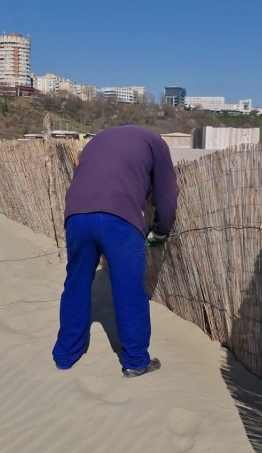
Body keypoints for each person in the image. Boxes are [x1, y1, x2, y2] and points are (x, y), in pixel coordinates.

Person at [52, 125, 179, 378]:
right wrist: (162, 229)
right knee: (128, 291)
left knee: (76, 284)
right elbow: (166, 193)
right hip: (119, 219)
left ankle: (65, 355)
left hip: (76, 216)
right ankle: (135, 361)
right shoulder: (156, 142)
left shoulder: (97, 140)